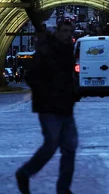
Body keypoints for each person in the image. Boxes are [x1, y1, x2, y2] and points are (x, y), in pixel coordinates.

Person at [16, 21, 78, 194]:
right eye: (64, 31)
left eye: (70, 31)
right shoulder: (46, 50)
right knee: (51, 145)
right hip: (48, 107)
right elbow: (31, 76)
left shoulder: (68, 51)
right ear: (57, 31)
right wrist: (47, 93)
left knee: (70, 147)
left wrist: (71, 93)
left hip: (65, 107)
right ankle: (24, 173)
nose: (67, 34)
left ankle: (63, 188)